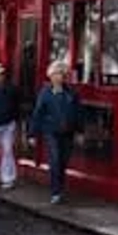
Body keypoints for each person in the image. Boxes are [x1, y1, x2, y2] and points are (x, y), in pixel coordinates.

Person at [27, 61, 81, 204]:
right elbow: (38, 113)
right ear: (50, 76)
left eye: (62, 74)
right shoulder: (45, 93)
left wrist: (80, 130)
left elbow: (77, 113)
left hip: (68, 132)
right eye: (57, 74)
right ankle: (55, 192)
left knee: (63, 162)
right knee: (55, 160)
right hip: (51, 132)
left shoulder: (72, 93)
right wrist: (32, 133)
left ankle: (59, 188)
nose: (59, 77)